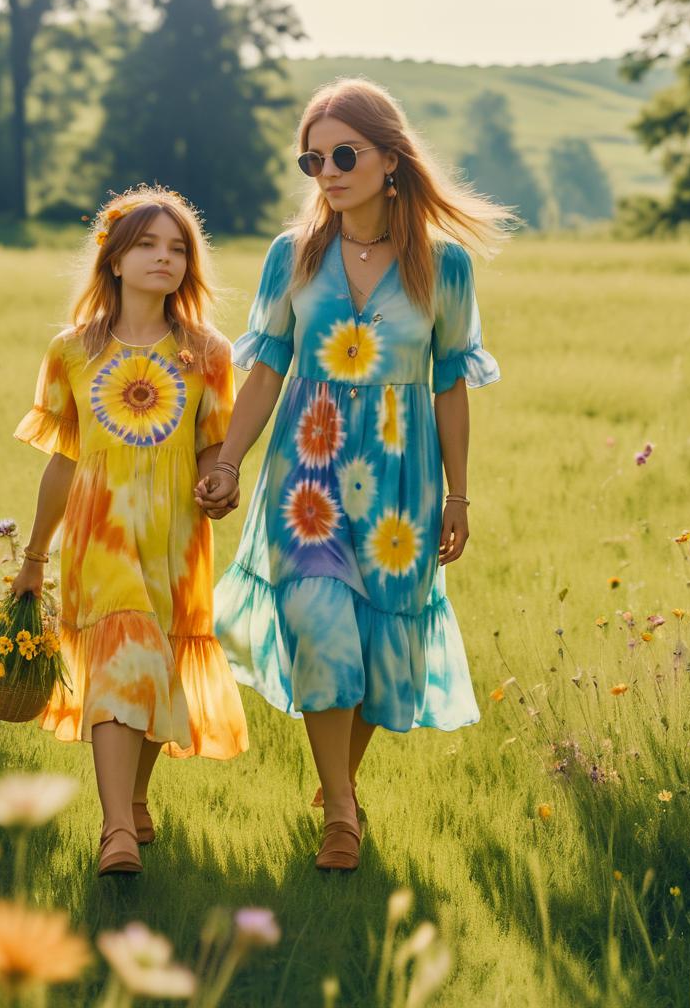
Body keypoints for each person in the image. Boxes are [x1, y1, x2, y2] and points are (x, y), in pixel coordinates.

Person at [196, 78, 514, 872]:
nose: (328, 171)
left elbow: (449, 382)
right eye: (313, 158)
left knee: (378, 655)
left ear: (390, 159)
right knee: (319, 627)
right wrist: (229, 459)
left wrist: (459, 494)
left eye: (344, 154)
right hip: (308, 476)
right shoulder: (293, 254)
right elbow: (267, 364)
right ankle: (342, 810)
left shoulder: (444, 266)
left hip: (404, 485)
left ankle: (339, 778)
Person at [12, 185, 248, 876]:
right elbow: (63, 460)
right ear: (113, 258)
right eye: (146, 244)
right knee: (123, 658)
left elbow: (214, 445)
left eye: (178, 249)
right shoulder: (72, 351)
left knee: (157, 665)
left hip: (175, 541)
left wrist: (219, 481)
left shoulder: (207, 352)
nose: (163, 258)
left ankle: (136, 799)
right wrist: (33, 557)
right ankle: (115, 828)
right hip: (99, 536)